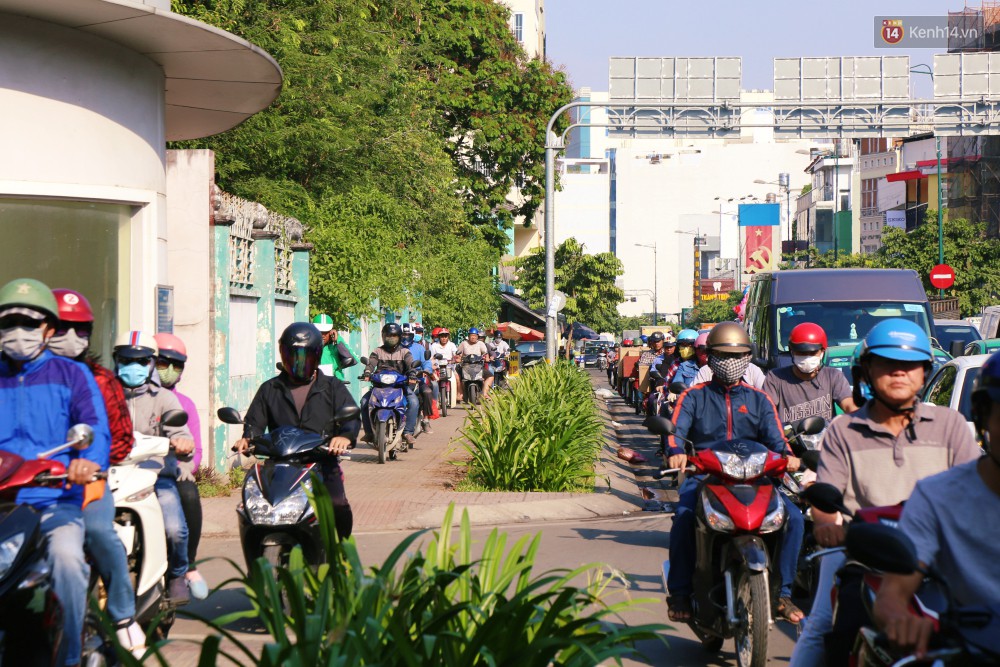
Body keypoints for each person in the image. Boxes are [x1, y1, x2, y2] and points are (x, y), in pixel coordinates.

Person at [790, 318, 980, 667]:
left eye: (909, 366)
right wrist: (826, 525)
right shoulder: (843, 430)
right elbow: (828, 493)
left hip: (939, 559)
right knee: (825, 628)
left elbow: (972, 492)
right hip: (861, 553)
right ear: (866, 372)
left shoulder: (950, 425)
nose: (899, 373)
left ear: (924, 373)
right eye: (887, 364)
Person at [0, 278, 111, 667]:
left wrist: (86, 462)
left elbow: (93, 427)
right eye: (8, 322)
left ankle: (69, 657)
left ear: (48, 328)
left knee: (67, 560)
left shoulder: (72, 375)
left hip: (54, 499)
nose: (17, 332)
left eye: (28, 323)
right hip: (4, 504)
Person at [665, 322, 804, 624]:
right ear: (710, 357)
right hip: (704, 476)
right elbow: (676, 432)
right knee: (685, 518)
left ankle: (783, 594)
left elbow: (777, 440)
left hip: (756, 479)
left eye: (738, 355)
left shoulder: (759, 398)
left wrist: (789, 458)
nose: (730, 362)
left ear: (748, 357)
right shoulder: (694, 396)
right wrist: (676, 453)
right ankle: (679, 592)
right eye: (723, 356)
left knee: (793, 518)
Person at [873, 349, 1000, 659]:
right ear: (984, 418)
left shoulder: (949, 426)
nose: (899, 375)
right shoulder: (936, 497)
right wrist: (903, 622)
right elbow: (893, 593)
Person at [48, 288, 147, 653]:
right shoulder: (18, 375)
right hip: (26, 485)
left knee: (96, 531)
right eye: (61, 327)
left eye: (80, 329)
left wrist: (90, 462)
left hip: (85, 482)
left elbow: (115, 437)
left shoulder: (100, 380)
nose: (70, 338)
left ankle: (122, 614)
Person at [236, 322, 361, 539]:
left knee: (337, 504)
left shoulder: (332, 387)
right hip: (279, 467)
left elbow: (350, 417)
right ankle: (258, 567)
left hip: (321, 462)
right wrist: (247, 438)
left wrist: (344, 436)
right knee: (252, 509)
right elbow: (255, 421)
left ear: (316, 357)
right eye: (292, 355)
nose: (297, 362)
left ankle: (339, 556)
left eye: (304, 356)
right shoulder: (270, 389)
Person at [114, 330, 195, 605]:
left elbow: (181, 432)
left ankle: (177, 574)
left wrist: (182, 441)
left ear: (150, 363)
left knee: (174, 528)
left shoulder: (164, 399)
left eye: (139, 361)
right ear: (116, 361)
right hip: (113, 476)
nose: (132, 367)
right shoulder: (106, 395)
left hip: (155, 476)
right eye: (125, 360)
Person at [153, 332, 209, 601]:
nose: (169, 371)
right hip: (133, 472)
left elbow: (196, 450)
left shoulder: (184, 404)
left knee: (188, 492)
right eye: (163, 363)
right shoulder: (127, 397)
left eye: (176, 365)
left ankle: (189, 564)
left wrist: (187, 465)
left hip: (170, 473)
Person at [763, 322, 857, 425]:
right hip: (789, 438)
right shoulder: (775, 378)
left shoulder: (833, 376)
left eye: (812, 353)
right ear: (792, 351)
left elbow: (848, 404)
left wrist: (862, 420)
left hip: (824, 438)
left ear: (822, 352)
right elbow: (766, 411)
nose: (807, 357)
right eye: (802, 353)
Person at [360, 323, 420, 446]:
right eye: (388, 336)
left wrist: (412, 374)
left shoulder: (405, 352)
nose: (391, 338)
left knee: (414, 402)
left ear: (399, 337)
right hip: (379, 386)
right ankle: (369, 432)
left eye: (394, 336)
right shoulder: (378, 351)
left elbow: (410, 365)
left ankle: (407, 432)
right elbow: (371, 364)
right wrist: (367, 372)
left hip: (400, 386)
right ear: (383, 336)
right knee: (364, 402)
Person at [400, 323, 434, 434]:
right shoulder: (395, 348)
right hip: (400, 379)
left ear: (412, 335)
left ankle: (426, 420)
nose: (405, 337)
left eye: (408, 335)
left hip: (417, 379)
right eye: (403, 335)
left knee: (428, 392)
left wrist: (427, 370)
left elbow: (427, 363)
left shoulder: (419, 348)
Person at [313, 314, 360, 381]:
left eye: (325, 332)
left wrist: (338, 339)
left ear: (331, 332)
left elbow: (354, 360)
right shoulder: (308, 348)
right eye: (320, 332)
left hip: (333, 387)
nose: (323, 335)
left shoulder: (336, 348)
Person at [454, 327, 492, 401]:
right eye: (471, 335)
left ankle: (484, 393)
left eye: (475, 335)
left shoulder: (481, 344)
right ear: (468, 336)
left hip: (478, 366)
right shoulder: (463, 343)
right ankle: (460, 394)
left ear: (477, 336)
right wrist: (458, 358)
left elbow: (485, 353)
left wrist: (487, 358)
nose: (473, 337)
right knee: (457, 377)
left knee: (490, 376)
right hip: (465, 366)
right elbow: (458, 354)